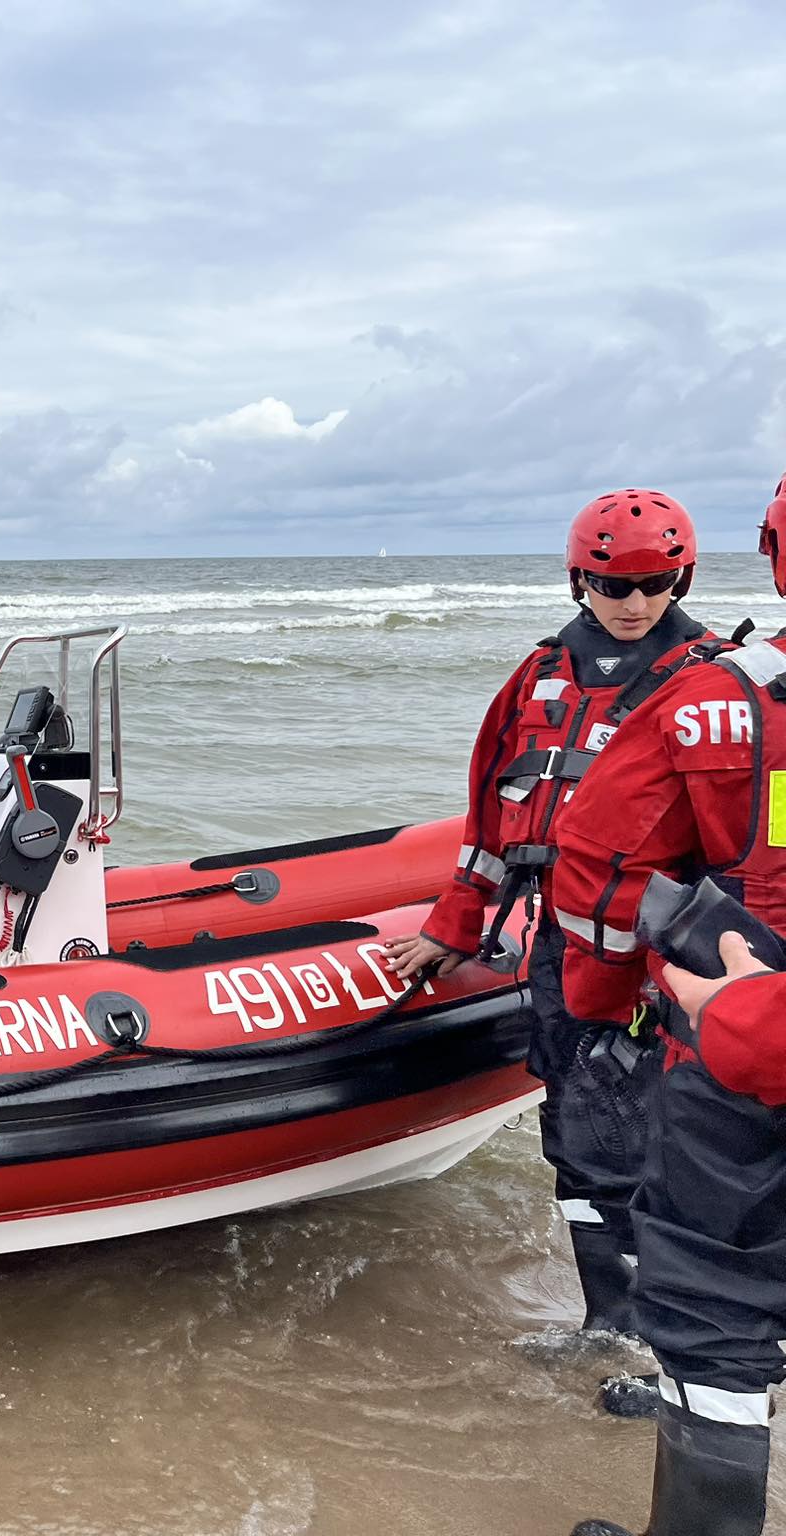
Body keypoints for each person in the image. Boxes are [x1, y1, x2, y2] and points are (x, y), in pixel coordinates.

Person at [384, 488, 714, 1349]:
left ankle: (676, 1337)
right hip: (565, 946)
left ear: (681, 579)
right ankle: (609, 1322)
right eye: (613, 585)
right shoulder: (538, 677)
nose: (635, 603)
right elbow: (492, 816)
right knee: (576, 1128)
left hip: (667, 956)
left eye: (655, 583)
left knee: (664, 1138)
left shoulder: (714, 684)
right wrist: (454, 926)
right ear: (579, 582)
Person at [554, 473, 786, 1536]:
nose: (631, 599)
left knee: (715, 1306)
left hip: (733, 1042)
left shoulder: (709, 701)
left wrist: (613, 1005)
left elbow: (598, 872)